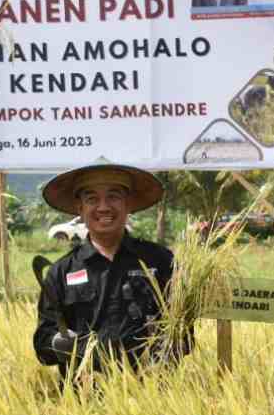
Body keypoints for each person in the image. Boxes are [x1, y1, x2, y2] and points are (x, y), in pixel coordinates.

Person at [33, 159, 188, 377]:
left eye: (113, 196)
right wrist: (60, 342)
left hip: (153, 394)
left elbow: (184, 328)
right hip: (82, 398)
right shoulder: (61, 271)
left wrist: (163, 355)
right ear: (80, 208)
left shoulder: (160, 261)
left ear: (128, 204)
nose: (103, 207)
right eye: (92, 199)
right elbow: (43, 342)